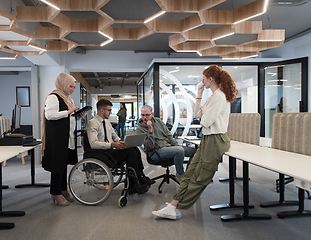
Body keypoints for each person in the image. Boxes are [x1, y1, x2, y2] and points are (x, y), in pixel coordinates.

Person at [152, 65, 238, 220]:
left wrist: (203, 116)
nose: (201, 81)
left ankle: (177, 206)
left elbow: (204, 121)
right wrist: (199, 94)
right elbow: (198, 114)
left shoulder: (219, 97)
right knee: (190, 173)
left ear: (210, 79)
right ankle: (172, 205)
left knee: (200, 178)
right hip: (207, 139)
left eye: (203, 78)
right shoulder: (212, 96)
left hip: (215, 140)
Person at [86, 99, 154, 194]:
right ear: (102, 110)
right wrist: (112, 145)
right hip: (102, 153)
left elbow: (114, 136)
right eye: (109, 110)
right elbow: (93, 144)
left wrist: (120, 142)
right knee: (131, 153)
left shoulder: (107, 122)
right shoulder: (92, 123)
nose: (111, 112)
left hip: (110, 150)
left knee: (134, 149)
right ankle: (133, 184)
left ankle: (139, 176)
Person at [41, 72, 86, 206]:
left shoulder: (67, 98)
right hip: (57, 138)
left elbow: (67, 118)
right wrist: (69, 112)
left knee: (63, 164)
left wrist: (77, 116)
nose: (72, 90)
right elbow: (50, 115)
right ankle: (55, 193)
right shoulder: (54, 97)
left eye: (73, 87)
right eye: (70, 86)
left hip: (66, 137)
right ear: (63, 84)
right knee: (57, 166)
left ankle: (63, 189)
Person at [136, 105, 196, 182]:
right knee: (179, 150)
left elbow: (168, 134)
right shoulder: (140, 129)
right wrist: (150, 130)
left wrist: (175, 145)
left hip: (168, 147)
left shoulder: (158, 121)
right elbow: (149, 146)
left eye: (147, 115)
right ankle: (180, 174)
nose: (144, 117)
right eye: (142, 115)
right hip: (155, 151)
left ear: (152, 114)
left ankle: (188, 175)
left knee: (195, 152)